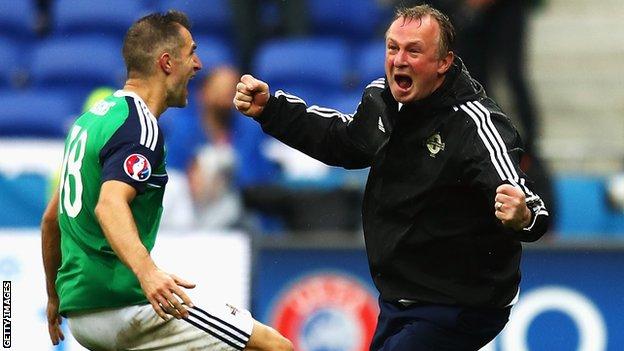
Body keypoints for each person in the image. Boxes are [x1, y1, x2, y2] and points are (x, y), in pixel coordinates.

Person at [234, 4, 548, 350]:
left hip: (463, 302)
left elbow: (517, 191)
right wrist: (271, 110)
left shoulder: (474, 123)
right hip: (401, 298)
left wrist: (524, 215)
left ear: (443, 62)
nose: (399, 60)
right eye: (393, 47)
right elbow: (342, 140)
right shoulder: (382, 99)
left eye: (414, 50)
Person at [41, 11, 292, 351]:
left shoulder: (89, 121)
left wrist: (54, 298)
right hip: (121, 304)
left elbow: (51, 219)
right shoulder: (139, 125)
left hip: (83, 316)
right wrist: (148, 273)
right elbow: (109, 204)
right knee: (274, 346)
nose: (198, 64)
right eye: (191, 53)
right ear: (166, 62)